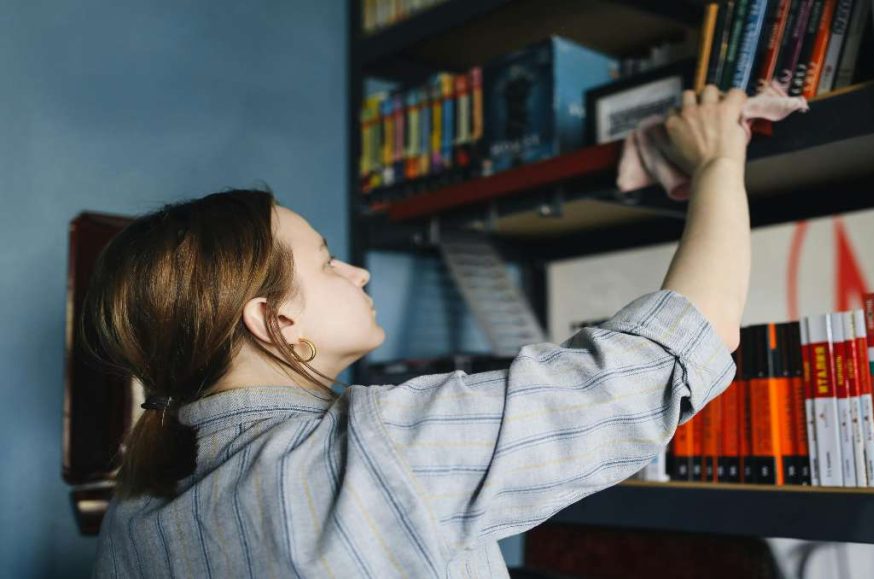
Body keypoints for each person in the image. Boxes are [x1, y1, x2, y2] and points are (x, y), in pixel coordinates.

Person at [86, 85, 750, 578]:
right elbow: (663, 358)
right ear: (277, 321)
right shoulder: (382, 449)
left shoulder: (135, 507)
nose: (359, 274)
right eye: (325, 260)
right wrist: (719, 162)